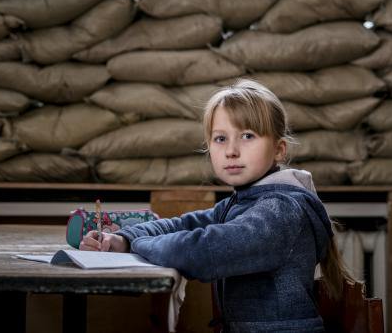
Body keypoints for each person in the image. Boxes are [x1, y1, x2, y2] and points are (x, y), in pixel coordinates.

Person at [80, 79, 353, 333]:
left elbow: (205, 250)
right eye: (220, 138)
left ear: (279, 149)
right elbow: (185, 224)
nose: (231, 150)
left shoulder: (280, 211)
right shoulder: (243, 201)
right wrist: (123, 239)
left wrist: (138, 246)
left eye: (247, 136)